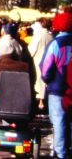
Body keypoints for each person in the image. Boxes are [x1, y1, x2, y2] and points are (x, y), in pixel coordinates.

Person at [41, 9, 72, 159]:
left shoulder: (55, 44)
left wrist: (47, 80)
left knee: (59, 122)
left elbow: (46, 69)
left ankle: (61, 153)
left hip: (58, 88)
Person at [29, 17, 53, 111]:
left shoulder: (38, 35)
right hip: (49, 60)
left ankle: (40, 102)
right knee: (46, 80)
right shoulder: (51, 36)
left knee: (38, 80)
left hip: (38, 60)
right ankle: (44, 101)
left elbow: (31, 50)